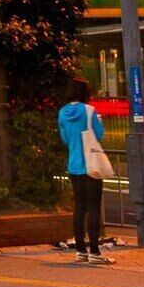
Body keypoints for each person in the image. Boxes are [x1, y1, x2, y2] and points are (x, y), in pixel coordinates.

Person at [57, 79, 109, 264]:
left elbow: (64, 139)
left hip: (74, 165)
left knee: (79, 208)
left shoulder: (62, 113)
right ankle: (94, 251)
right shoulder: (89, 111)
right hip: (91, 165)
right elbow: (99, 135)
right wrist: (99, 122)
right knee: (94, 208)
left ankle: (80, 250)